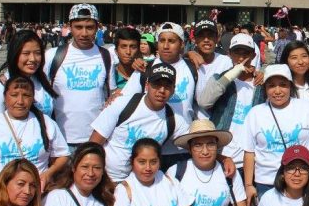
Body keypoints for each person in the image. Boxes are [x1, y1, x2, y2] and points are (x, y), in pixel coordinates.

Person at [243, 64, 309, 205]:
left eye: (283, 85)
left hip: (300, 180)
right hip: (267, 182)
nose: (277, 91)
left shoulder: (306, 109)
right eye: (271, 85)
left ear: (290, 86)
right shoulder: (255, 113)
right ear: (265, 88)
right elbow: (249, 152)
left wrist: (305, 169)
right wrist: (248, 185)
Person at [90, 64, 189, 181]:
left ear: (173, 90)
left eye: (167, 86)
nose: (161, 90)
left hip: (140, 185)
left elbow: (196, 142)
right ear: (147, 85)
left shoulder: (174, 119)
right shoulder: (122, 104)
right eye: (156, 85)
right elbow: (94, 145)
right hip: (107, 179)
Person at [120, 22, 198, 168]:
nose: (166, 46)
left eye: (171, 41)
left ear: (182, 44)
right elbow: (124, 100)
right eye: (162, 41)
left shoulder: (193, 68)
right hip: (150, 150)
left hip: (181, 149)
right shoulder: (144, 68)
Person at [0, 76, 69, 191]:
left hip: (33, 193)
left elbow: (62, 155)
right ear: (5, 97)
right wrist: (2, 180)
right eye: (14, 95)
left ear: (33, 99)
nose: (20, 101)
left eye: (26, 95)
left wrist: (47, 174)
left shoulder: (46, 123)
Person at [45, 4, 115, 148]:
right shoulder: (53, 56)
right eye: (78, 27)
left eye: (89, 27)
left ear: (97, 28)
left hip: (95, 140)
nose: (84, 33)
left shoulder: (106, 56)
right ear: (70, 27)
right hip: (60, 141)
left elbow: (111, 94)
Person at [197, 33, 265, 174]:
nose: (241, 58)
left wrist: (266, 74)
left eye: (245, 53)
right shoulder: (220, 79)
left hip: (251, 158)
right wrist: (233, 74)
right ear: (229, 54)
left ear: (253, 55)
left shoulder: (261, 84)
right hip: (222, 155)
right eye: (236, 53)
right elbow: (204, 102)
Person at [0, 30, 58, 117]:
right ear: (14, 54)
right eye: (26, 53)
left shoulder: (41, 80)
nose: (33, 59)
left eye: (37, 53)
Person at [185, 20, 233, 120]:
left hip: (220, 121)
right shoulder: (187, 63)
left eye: (210, 36)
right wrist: (186, 54)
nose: (206, 40)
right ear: (195, 39)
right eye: (202, 36)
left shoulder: (226, 62)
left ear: (217, 38)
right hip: (195, 123)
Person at [279, 41, 309, 110]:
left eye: (304, 56)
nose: (300, 62)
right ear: (286, 61)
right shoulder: (280, 89)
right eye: (294, 58)